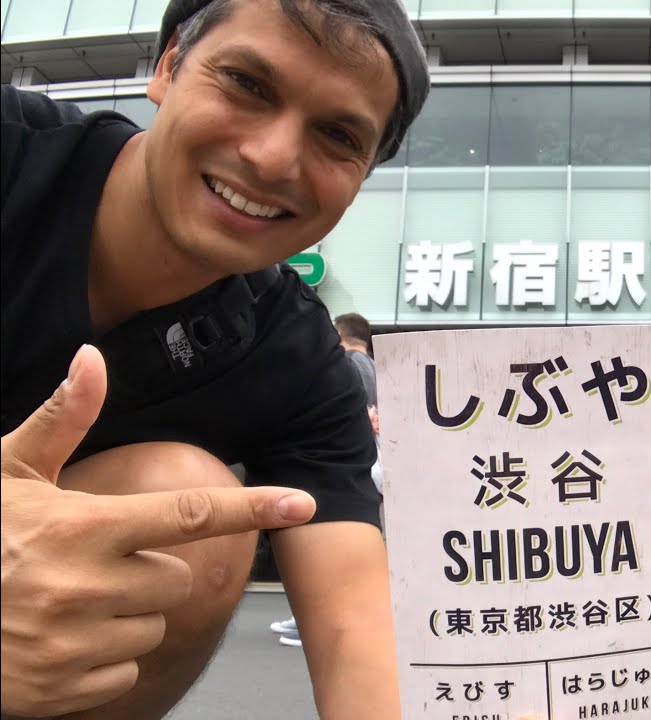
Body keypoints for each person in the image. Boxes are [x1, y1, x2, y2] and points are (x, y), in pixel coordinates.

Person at [0, 1, 429, 718]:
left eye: (337, 135)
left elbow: (357, 628)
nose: (271, 158)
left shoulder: (298, 360)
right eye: (246, 84)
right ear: (168, 65)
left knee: (193, 507)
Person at [272, 312, 380, 647]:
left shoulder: (348, 362)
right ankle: (314, 620)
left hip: (339, 457)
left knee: (327, 529)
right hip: (362, 458)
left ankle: (316, 622)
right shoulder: (373, 365)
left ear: (339, 333)